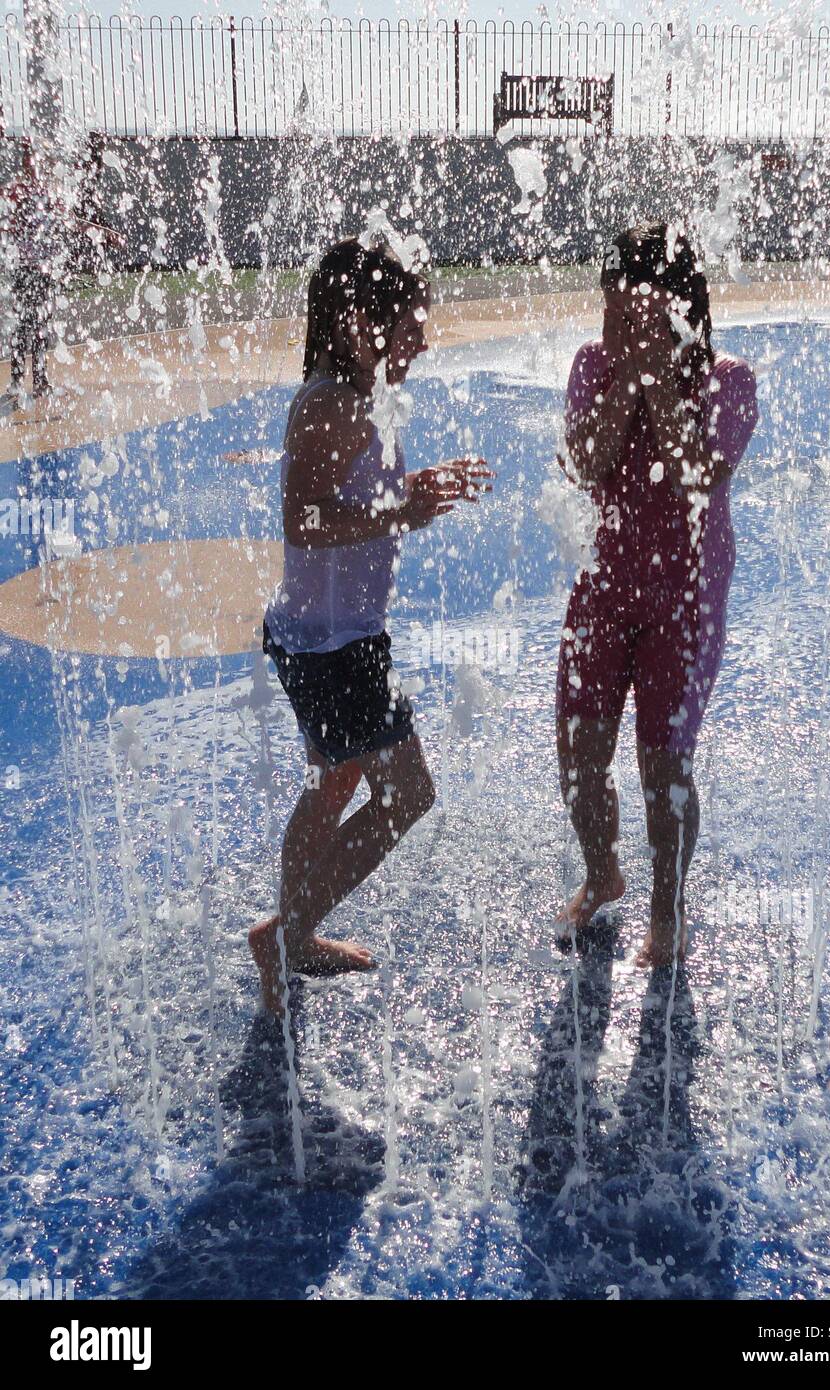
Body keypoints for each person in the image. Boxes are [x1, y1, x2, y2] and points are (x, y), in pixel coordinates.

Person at [250, 238, 492, 1015]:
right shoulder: (330, 404)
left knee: (332, 783)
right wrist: (400, 509)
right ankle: (287, 933)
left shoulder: (349, 397)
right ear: (360, 323)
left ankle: (294, 939)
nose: (424, 339)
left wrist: (411, 489)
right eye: (411, 324)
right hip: (335, 649)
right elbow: (305, 518)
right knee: (408, 794)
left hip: (321, 637)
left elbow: (348, 498)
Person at [555, 223, 758, 966]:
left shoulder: (726, 379)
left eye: (629, 309)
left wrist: (657, 384)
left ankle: (666, 912)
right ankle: (603, 873)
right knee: (577, 757)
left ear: (674, 307)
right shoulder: (591, 367)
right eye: (608, 306)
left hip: (686, 598)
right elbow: (586, 464)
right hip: (601, 586)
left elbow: (697, 477)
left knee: (662, 767)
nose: (611, 324)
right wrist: (625, 380)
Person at [0, 136, 123, 410]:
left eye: (35, 161)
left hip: (44, 271)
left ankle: (40, 381)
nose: (33, 166)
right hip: (25, 270)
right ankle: (18, 381)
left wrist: (105, 234)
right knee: (24, 326)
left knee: (41, 326)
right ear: (25, 164)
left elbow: (74, 223)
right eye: (29, 160)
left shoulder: (49, 195)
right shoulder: (16, 192)